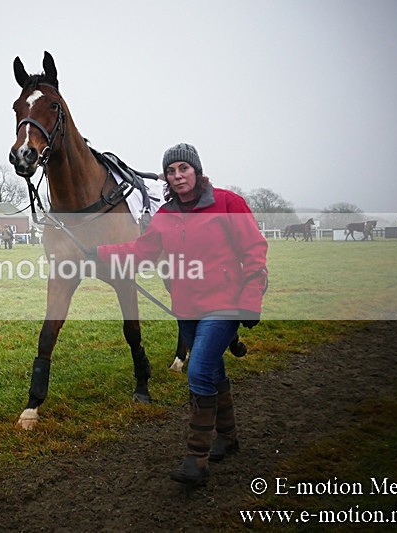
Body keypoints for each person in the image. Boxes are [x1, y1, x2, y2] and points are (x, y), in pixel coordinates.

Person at [93, 143, 268, 487]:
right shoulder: (165, 216)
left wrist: (251, 298)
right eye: (171, 171)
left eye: (183, 169)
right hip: (186, 308)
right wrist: (98, 253)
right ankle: (228, 436)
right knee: (213, 370)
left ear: (196, 171)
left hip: (224, 304)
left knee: (199, 370)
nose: (177, 176)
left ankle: (196, 459)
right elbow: (141, 251)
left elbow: (254, 250)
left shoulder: (228, 203)